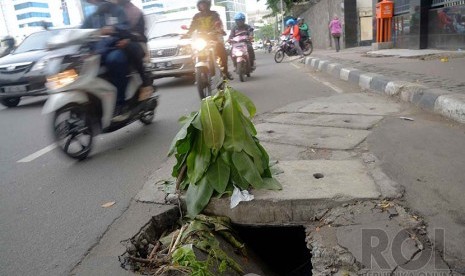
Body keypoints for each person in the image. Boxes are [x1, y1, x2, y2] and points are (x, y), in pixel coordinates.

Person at [81, 0, 132, 117]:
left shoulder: (117, 11)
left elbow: (126, 27)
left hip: (114, 49)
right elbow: (81, 34)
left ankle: (121, 103)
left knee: (115, 60)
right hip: (97, 53)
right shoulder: (91, 18)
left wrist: (113, 29)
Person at [185, 0, 233, 80]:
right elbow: (192, 27)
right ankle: (198, 73)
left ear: (208, 5)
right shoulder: (197, 16)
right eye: (200, 4)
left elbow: (218, 23)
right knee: (194, 52)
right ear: (198, 6)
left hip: (213, 37)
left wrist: (219, 30)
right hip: (201, 38)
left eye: (204, 4)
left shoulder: (214, 14)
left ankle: (225, 71)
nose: (202, 6)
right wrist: (187, 34)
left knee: (222, 53)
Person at [116, 0, 153, 95]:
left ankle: (145, 81)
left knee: (131, 49)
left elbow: (138, 33)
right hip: (118, 42)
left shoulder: (135, 12)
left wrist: (128, 39)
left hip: (137, 42)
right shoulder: (108, 11)